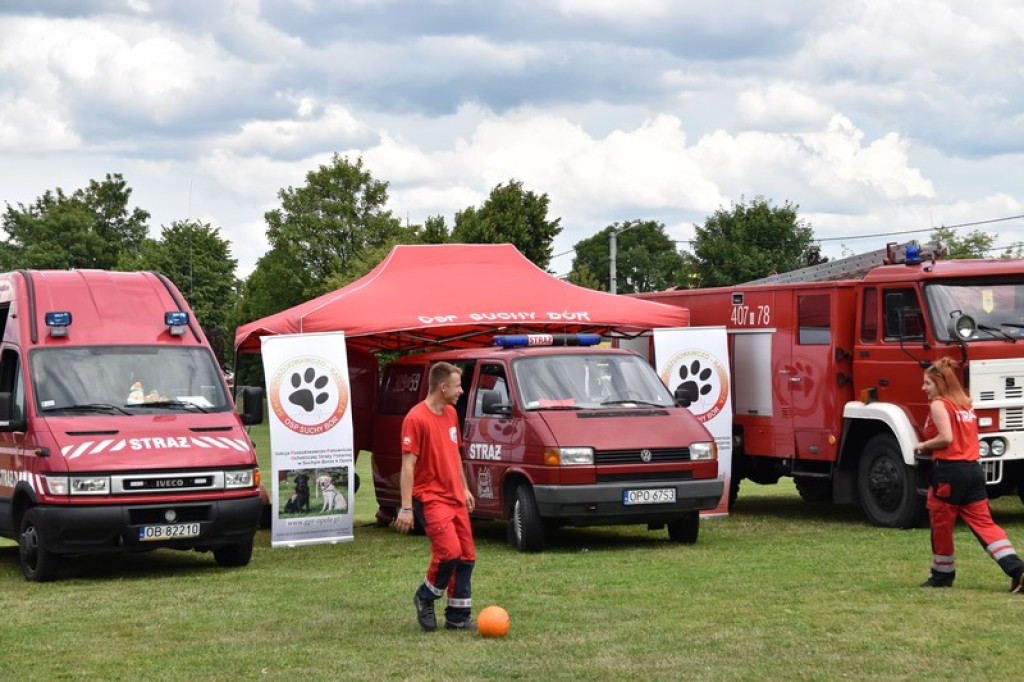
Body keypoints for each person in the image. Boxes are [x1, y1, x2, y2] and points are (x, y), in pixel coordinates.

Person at [915, 357, 1024, 592]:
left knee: (941, 524)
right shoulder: (966, 403)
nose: (923, 388)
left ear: (940, 384)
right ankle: (1018, 570)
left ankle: (942, 576)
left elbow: (946, 438)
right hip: (973, 470)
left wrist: (922, 446)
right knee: (985, 524)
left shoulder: (939, 404)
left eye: (927, 384)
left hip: (949, 472)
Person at [394, 362, 477, 631]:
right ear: (443, 387)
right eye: (457, 386)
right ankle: (425, 596)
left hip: (455, 498)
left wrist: (464, 488)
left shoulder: (451, 413)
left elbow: (455, 453)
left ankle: (457, 617)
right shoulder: (415, 418)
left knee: (466, 557)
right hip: (431, 499)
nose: (461, 391)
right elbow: (407, 465)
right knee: (449, 553)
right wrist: (406, 508)